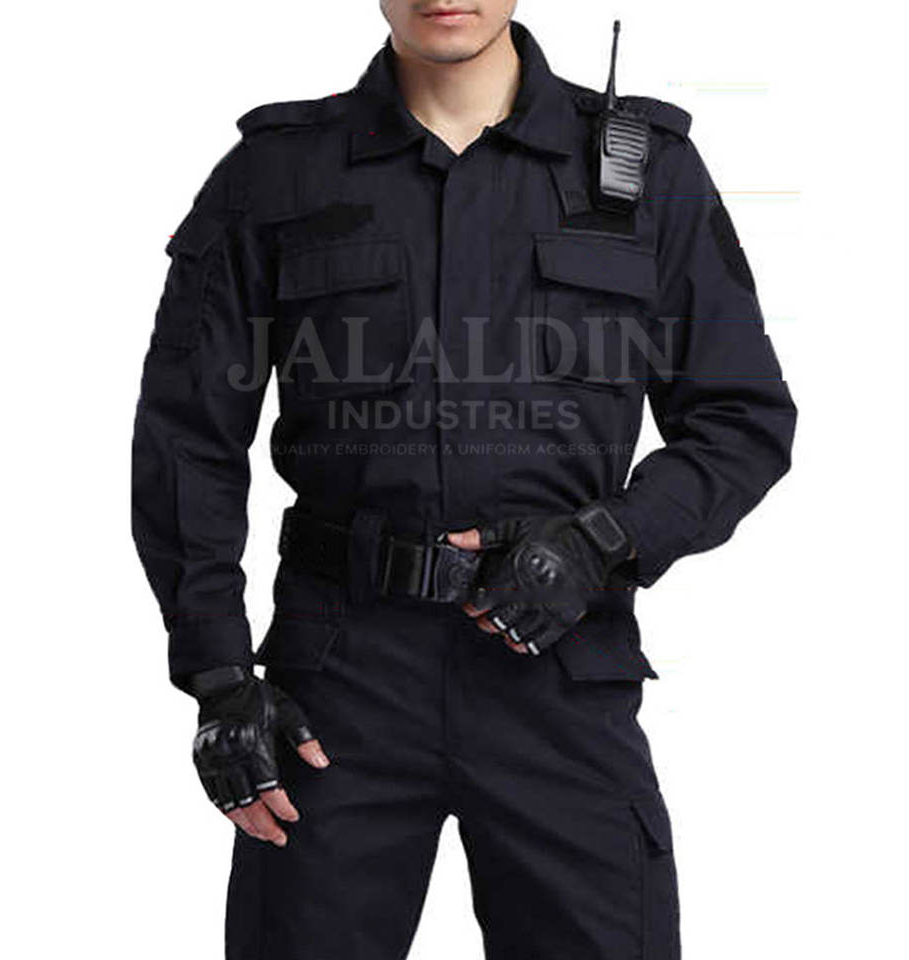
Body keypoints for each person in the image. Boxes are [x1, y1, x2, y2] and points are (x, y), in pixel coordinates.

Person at [131, 3, 796, 958]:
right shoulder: (276, 172)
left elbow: (741, 419)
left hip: (560, 671)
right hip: (337, 687)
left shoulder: (649, 170)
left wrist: (602, 541)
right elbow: (187, 436)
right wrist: (219, 674)